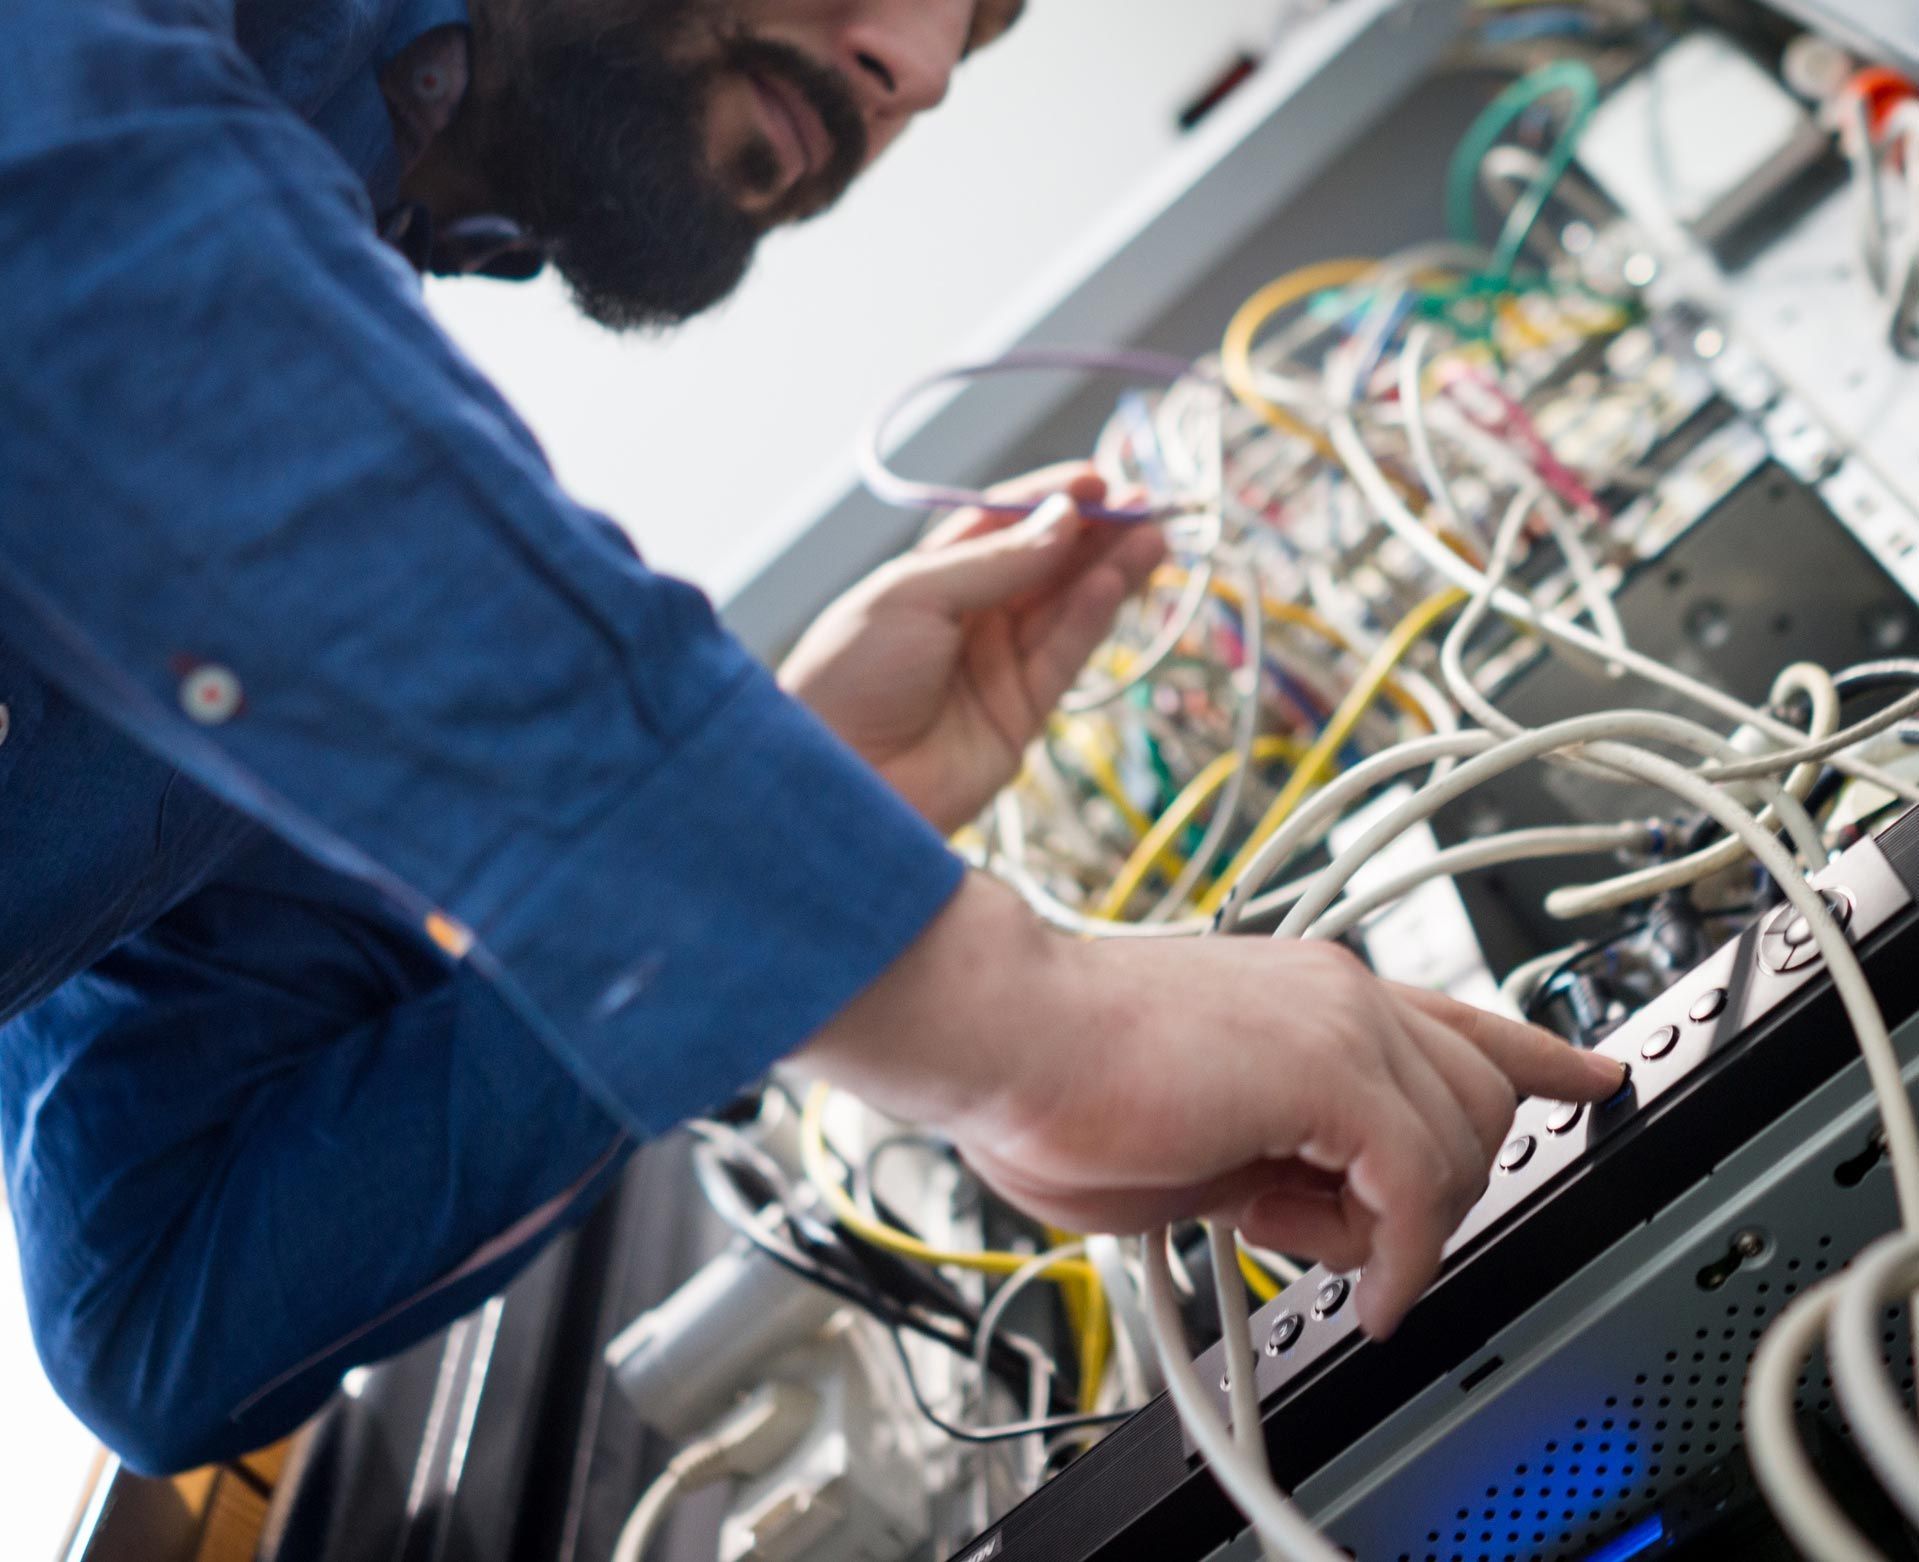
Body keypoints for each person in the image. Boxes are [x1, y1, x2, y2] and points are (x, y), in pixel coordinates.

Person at [0, 0, 1626, 1475]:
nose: (918, 68)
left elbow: (160, 1294)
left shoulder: (258, 558)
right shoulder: (146, 182)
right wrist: (994, 1003)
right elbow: (78, 203)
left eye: (970, 41)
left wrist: (797, 850)